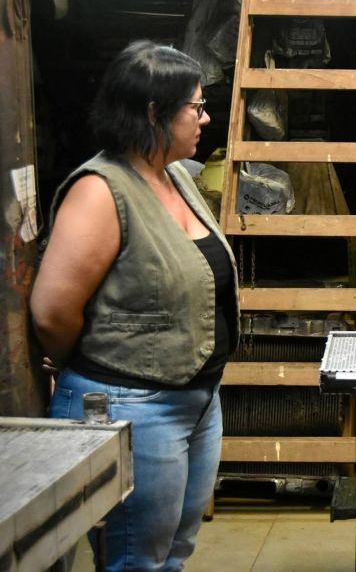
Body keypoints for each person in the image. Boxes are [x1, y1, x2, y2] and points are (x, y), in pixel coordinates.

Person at [30, 40, 239, 571]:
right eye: (195, 106)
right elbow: (52, 311)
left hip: (195, 400)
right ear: (153, 113)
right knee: (136, 561)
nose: (204, 117)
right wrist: (83, 365)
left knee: (172, 555)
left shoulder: (176, 176)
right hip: (133, 405)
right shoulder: (101, 191)